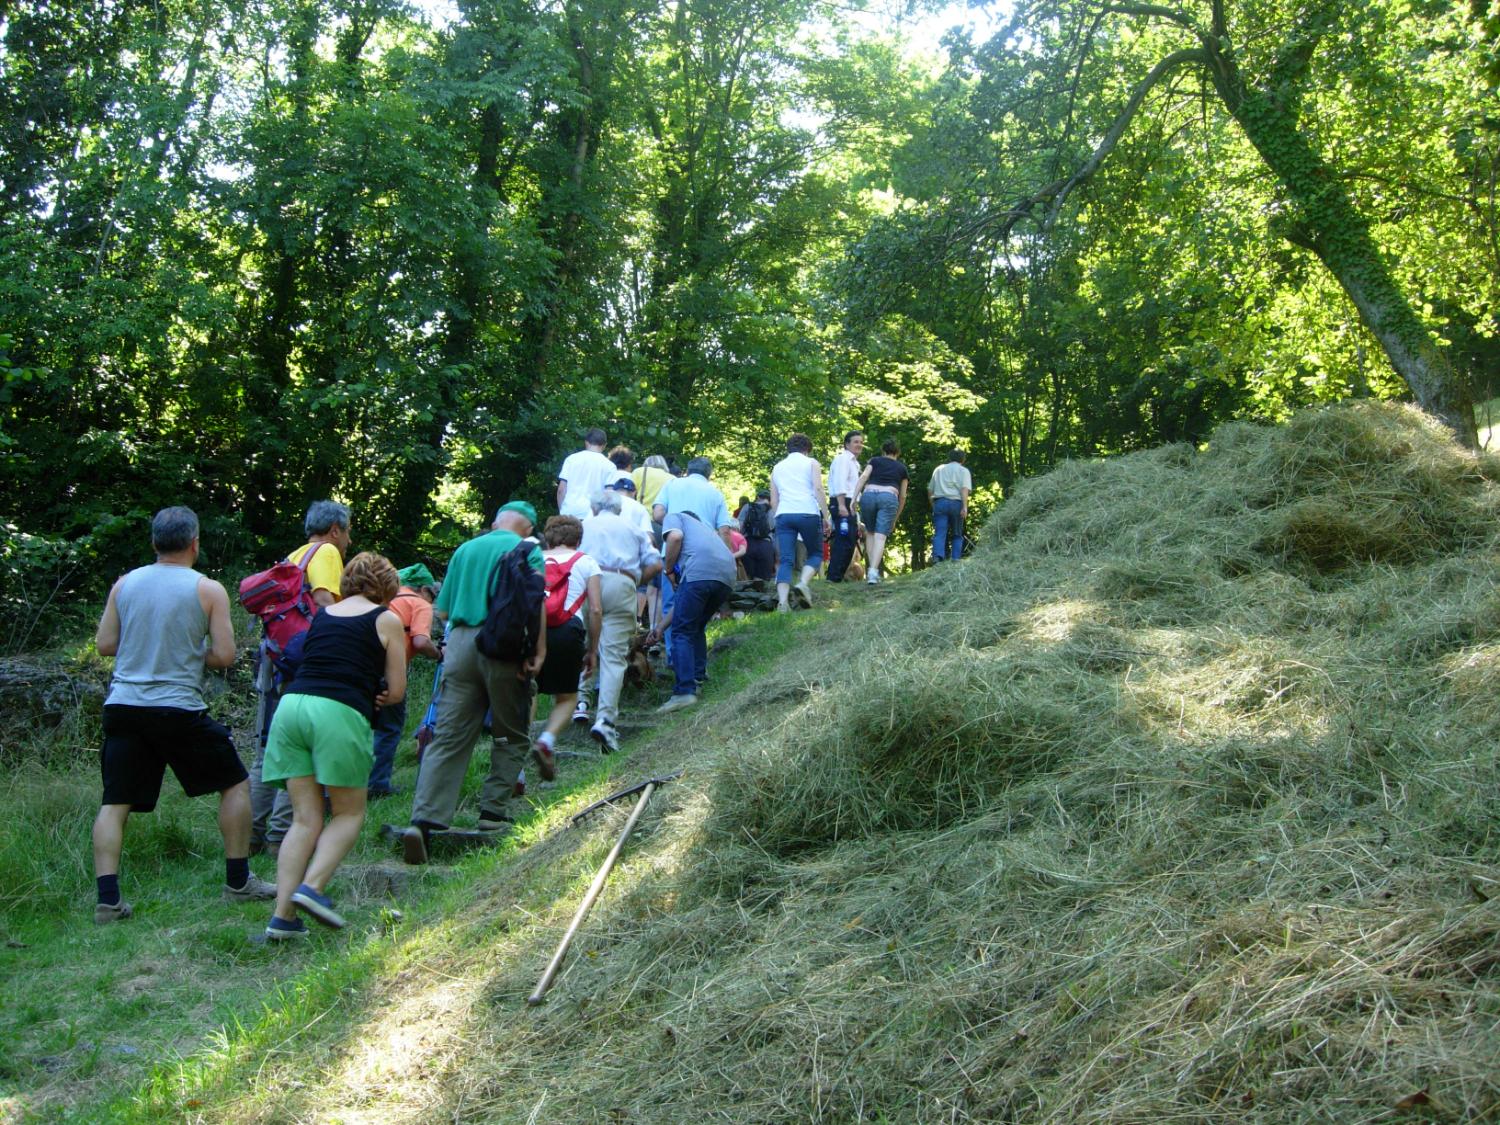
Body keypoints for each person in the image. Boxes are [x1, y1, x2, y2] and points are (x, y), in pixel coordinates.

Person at [92, 506, 275, 924]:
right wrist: (191, 654)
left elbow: (105, 644)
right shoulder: (207, 589)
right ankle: (238, 881)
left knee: (114, 802)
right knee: (235, 784)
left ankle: (107, 899)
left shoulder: (125, 584)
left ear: (155, 543)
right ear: (195, 542)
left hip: (123, 706)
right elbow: (225, 655)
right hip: (176, 708)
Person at [260, 553, 406, 939]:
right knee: (347, 814)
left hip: (291, 709)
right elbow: (397, 690)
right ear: (388, 586)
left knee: (305, 818)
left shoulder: (324, 615)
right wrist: (379, 696)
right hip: (337, 714)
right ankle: (312, 888)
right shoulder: (386, 619)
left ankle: (283, 918)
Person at [402, 502, 549, 864]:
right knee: (509, 733)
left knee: (450, 735)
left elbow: (445, 610)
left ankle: (424, 820)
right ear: (528, 528)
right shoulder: (528, 550)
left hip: (461, 647)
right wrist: (539, 651)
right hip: (503, 646)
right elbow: (535, 604)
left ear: (497, 520)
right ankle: (492, 815)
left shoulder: (466, 549)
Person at [251, 500, 351, 857]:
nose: (348, 542)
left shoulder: (294, 555)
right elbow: (324, 599)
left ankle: (252, 835)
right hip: (301, 659)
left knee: (268, 747)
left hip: (274, 654)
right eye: (347, 532)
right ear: (336, 529)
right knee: (297, 749)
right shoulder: (325, 551)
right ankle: (282, 837)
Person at [580, 490, 662, 751]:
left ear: (594, 507)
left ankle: (581, 702)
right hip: (621, 581)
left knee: (584, 643)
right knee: (614, 655)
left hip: (585, 582)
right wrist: (634, 580)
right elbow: (656, 564)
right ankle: (605, 720)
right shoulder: (632, 527)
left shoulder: (584, 525)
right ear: (618, 508)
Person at [651, 507, 737, 713]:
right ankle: (697, 677)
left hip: (701, 575)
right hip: (727, 577)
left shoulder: (676, 517)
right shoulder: (706, 536)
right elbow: (682, 599)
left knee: (681, 633)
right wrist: (660, 628)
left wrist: (668, 569)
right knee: (695, 626)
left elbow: (675, 536)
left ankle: (684, 692)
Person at [367, 564, 442, 798]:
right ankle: (376, 785)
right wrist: (439, 653)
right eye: (432, 595)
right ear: (423, 590)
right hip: (387, 671)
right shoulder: (418, 604)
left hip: (360, 667)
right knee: (388, 728)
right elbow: (420, 641)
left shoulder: (381, 598)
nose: (431, 601)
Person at [534, 516, 602, 762]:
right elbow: (595, 609)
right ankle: (547, 740)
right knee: (567, 697)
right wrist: (592, 650)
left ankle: (517, 756)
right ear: (578, 538)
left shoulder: (534, 558)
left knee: (529, 691)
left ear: (549, 536)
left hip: (532, 628)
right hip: (568, 630)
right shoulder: (586, 562)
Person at [652, 456, 733, 653]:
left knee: (672, 602)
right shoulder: (715, 493)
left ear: (688, 470)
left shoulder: (673, 484)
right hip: (706, 557)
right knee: (697, 610)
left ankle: (673, 654)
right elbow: (724, 531)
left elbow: (657, 514)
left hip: (674, 552)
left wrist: (674, 522)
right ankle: (694, 658)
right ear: (709, 474)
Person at [769, 433, 831, 611]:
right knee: (816, 553)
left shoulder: (777, 468)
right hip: (807, 512)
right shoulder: (811, 463)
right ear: (807, 449)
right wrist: (825, 517)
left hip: (784, 514)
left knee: (786, 559)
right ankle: (803, 584)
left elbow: (774, 501)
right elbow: (818, 488)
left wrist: (779, 517)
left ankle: (782, 603)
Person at [853, 438, 910, 585]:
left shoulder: (874, 461)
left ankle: (873, 572)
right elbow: (903, 496)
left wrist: (854, 498)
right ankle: (873, 572)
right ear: (897, 453)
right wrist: (895, 518)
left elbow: (864, 477)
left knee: (870, 533)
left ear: (883, 451)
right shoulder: (902, 468)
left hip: (869, 495)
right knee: (880, 536)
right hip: (888, 497)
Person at [826, 430, 865, 581]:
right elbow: (840, 483)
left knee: (850, 540)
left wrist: (853, 506)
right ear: (847, 444)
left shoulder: (855, 463)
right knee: (843, 540)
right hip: (842, 502)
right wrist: (842, 505)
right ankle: (833, 577)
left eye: (861, 442)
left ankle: (839, 576)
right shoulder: (843, 459)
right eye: (856, 442)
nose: (859, 445)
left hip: (850, 504)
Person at [556, 428, 616, 520]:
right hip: (593, 516)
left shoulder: (571, 459)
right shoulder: (609, 466)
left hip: (569, 513)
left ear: (586, 442)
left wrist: (562, 512)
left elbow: (561, 490)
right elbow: (609, 494)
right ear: (604, 445)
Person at [929, 449, 974, 561]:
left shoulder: (939, 469)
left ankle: (938, 558)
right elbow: (964, 490)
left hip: (940, 502)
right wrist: (964, 507)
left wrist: (933, 505)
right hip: (956, 503)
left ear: (950, 458)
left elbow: (930, 490)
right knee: (957, 533)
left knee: (940, 532)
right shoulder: (964, 471)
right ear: (963, 459)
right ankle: (955, 559)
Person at [739, 488, 776, 581]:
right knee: (760, 580)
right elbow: (773, 527)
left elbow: (739, 527)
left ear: (758, 497)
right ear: (769, 499)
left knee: (747, 578)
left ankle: (747, 594)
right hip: (766, 545)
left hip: (748, 544)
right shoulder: (772, 510)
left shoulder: (747, 507)